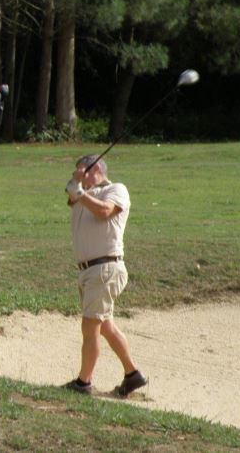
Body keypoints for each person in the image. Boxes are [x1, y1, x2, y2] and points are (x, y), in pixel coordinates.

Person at [63, 154, 147, 397]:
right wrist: (76, 186)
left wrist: (79, 190)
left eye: (82, 170)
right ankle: (133, 375)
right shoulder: (83, 194)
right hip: (90, 271)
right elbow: (72, 197)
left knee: (90, 327)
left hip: (105, 268)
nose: (78, 176)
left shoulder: (116, 190)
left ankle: (83, 383)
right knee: (106, 326)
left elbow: (104, 212)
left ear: (96, 169)